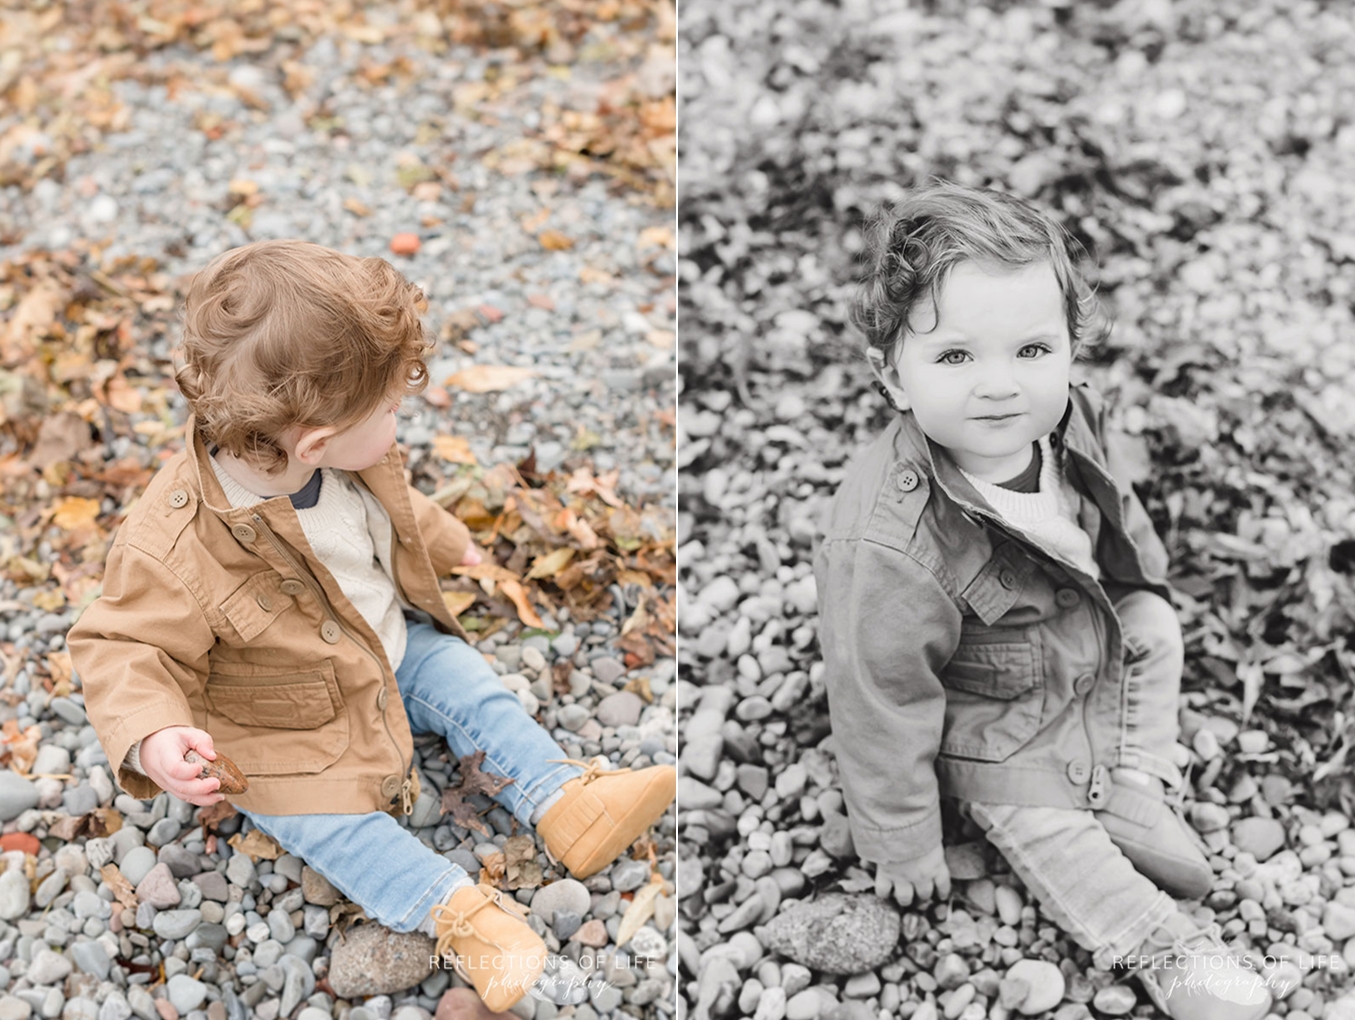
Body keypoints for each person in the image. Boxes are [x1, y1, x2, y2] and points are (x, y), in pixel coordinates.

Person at [68, 239, 676, 1013]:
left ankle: (563, 801)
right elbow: (122, 643)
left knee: (467, 683)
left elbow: (394, 514)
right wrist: (153, 735)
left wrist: (453, 544)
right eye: (389, 409)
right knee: (329, 827)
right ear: (315, 441)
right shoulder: (173, 542)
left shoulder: (340, 457)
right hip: (285, 730)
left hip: (387, 645)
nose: (398, 418)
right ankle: (461, 916)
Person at [813, 183, 1272, 1019]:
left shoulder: (1067, 420)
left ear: (1069, 348)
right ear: (893, 376)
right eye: (955, 358)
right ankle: (1163, 947)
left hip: (1075, 640)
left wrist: (1138, 589)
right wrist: (900, 836)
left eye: (1030, 351)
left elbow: (1118, 519)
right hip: (987, 713)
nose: (1000, 386)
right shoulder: (887, 542)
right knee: (1030, 816)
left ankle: (1132, 780)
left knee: (1157, 628)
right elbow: (875, 692)